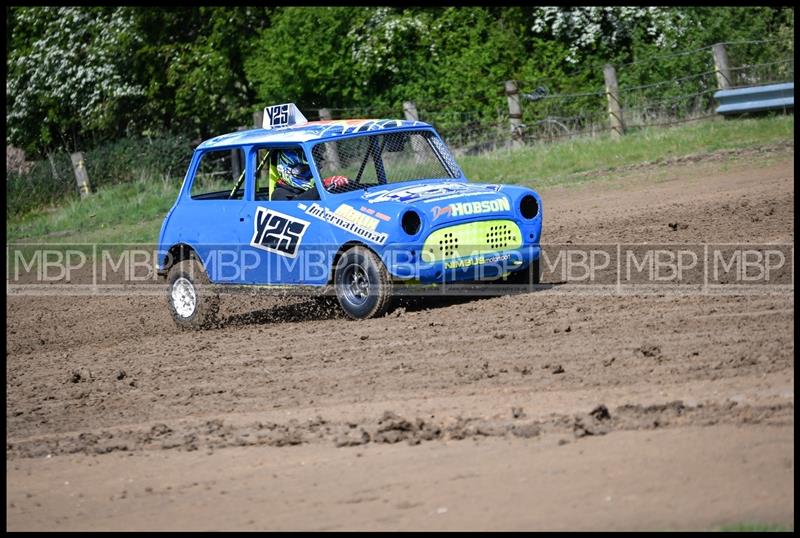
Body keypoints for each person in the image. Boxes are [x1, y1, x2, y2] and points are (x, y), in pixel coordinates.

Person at [271, 149, 350, 201]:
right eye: (305, 170)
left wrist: (345, 182)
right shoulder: (279, 194)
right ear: (286, 170)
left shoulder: (313, 188)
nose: (310, 174)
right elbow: (294, 207)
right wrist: (322, 186)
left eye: (311, 170)